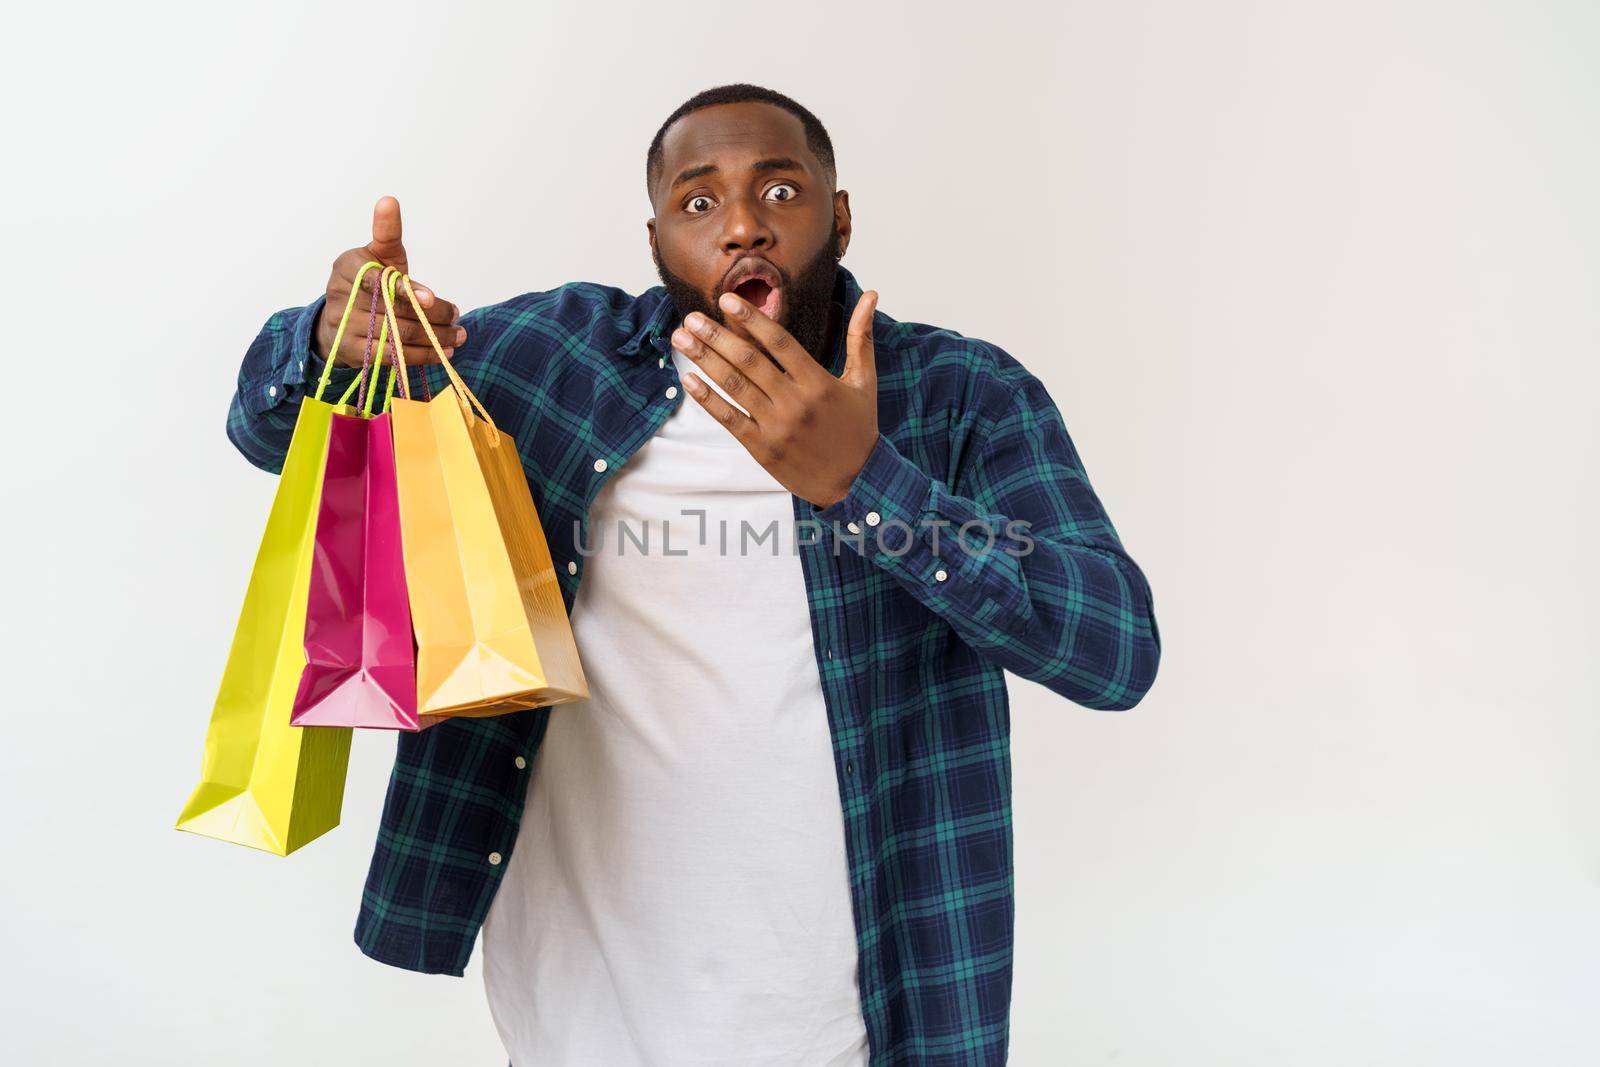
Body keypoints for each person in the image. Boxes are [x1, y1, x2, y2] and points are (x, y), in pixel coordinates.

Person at [226, 82, 1161, 1067]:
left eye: (782, 191)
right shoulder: (546, 361)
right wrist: (327, 339)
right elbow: (268, 428)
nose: (745, 226)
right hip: (577, 1022)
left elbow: (1114, 651)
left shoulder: (962, 395)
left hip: (860, 1022)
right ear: (657, 236)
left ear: (839, 216)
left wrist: (865, 482)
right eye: (700, 201)